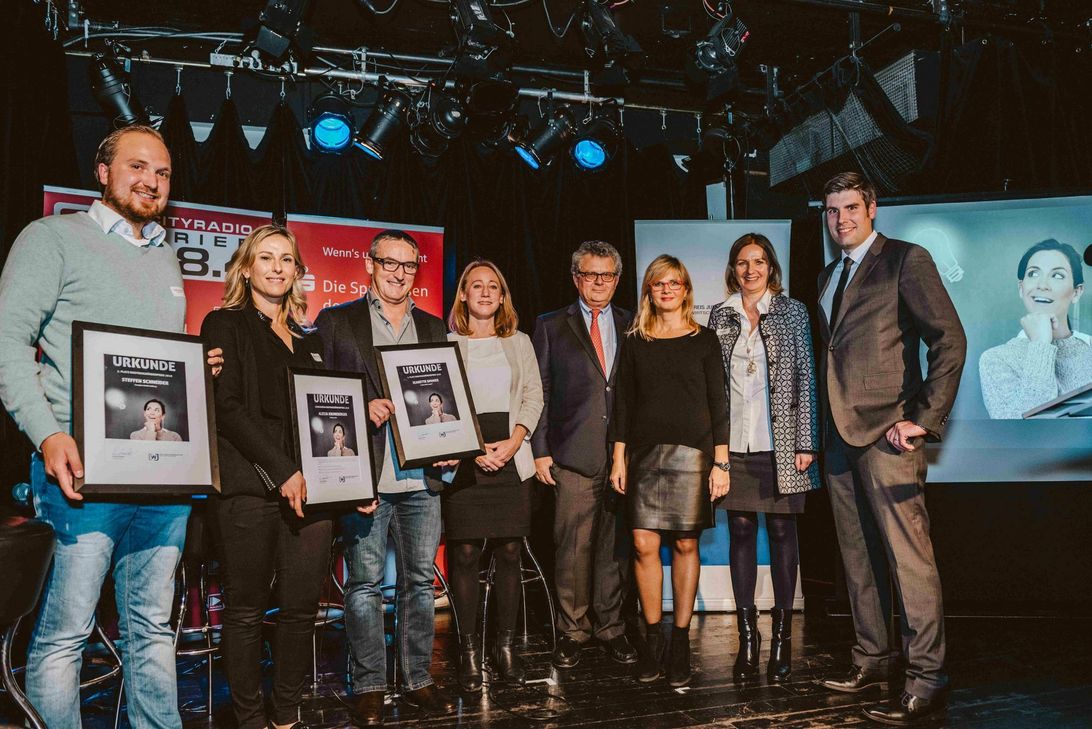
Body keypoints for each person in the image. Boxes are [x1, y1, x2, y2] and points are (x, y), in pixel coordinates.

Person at [0, 125, 216, 729]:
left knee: (150, 628)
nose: (151, 181)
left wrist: (193, 372)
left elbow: (152, 369)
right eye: (137, 166)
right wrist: (48, 434)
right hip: (80, 477)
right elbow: (7, 345)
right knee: (65, 635)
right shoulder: (51, 238)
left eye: (164, 173)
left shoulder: (167, 255)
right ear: (102, 171)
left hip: (160, 482)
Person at [816, 172, 966, 725]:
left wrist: (921, 420)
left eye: (851, 208)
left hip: (887, 435)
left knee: (910, 562)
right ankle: (872, 658)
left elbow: (949, 339)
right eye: (832, 211)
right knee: (856, 561)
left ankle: (927, 677)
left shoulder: (907, 258)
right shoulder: (829, 274)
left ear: (872, 208)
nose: (841, 220)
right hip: (838, 439)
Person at [314, 230, 457, 726]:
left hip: (422, 481)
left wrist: (450, 454)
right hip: (366, 481)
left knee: (419, 583)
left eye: (409, 265)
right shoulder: (336, 322)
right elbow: (319, 399)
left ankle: (417, 679)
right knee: (364, 586)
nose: (399, 273)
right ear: (369, 265)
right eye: (389, 263)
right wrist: (357, 410)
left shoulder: (436, 329)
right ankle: (370, 684)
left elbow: (451, 404)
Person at [200, 224, 332, 729]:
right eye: (266, 257)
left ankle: (286, 713)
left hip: (311, 490)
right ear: (246, 267)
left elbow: (326, 417)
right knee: (246, 609)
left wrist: (350, 483)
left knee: (301, 609)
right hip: (248, 489)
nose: (277, 267)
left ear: (298, 270)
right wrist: (283, 472)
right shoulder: (224, 323)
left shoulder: (309, 337)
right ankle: (250, 717)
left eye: (287, 259)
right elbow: (228, 408)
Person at [609, 254, 730, 688]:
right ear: (649, 290)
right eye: (658, 283)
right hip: (642, 456)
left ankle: (679, 641)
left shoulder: (705, 339)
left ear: (685, 289)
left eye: (673, 283)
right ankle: (652, 641)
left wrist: (721, 461)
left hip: (693, 457)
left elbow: (720, 403)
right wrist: (619, 457)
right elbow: (622, 403)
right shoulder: (636, 339)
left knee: (683, 545)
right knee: (643, 545)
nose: (666, 290)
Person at [707, 233, 821, 683]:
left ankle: (782, 637)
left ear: (771, 267)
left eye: (758, 262)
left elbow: (806, 375)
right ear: (733, 269)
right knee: (739, 530)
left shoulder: (792, 311)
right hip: (733, 442)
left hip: (783, 442)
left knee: (781, 529)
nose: (750, 270)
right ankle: (748, 636)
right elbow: (713, 383)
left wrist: (807, 441)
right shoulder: (721, 314)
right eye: (742, 263)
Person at [531, 240, 638, 669]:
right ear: (576, 277)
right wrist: (539, 451)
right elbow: (538, 392)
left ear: (617, 279)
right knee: (572, 548)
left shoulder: (634, 324)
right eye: (591, 274)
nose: (599, 283)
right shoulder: (551, 325)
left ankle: (611, 627)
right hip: (571, 454)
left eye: (607, 275)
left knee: (615, 550)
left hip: (623, 457)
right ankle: (572, 630)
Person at [444, 260, 543, 691]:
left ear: (502, 297)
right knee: (464, 553)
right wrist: (473, 447)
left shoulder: (519, 341)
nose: (485, 293)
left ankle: (505, 649)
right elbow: (438, 402)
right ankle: (468, 653)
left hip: (511, 456)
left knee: (508, 554)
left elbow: (533, 396)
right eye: (476, 286)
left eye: (493, 287)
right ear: (463, 294)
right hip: (466, 459)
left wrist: (516, 441)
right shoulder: (445, 343)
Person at [979, 239, 1091, 418]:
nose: (1042, 285)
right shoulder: (997, 359)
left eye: (1057, 275)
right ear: (1021, 288)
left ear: (1077, 292)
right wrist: (1040, 344)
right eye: (1033, 274)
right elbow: (1024, 428)